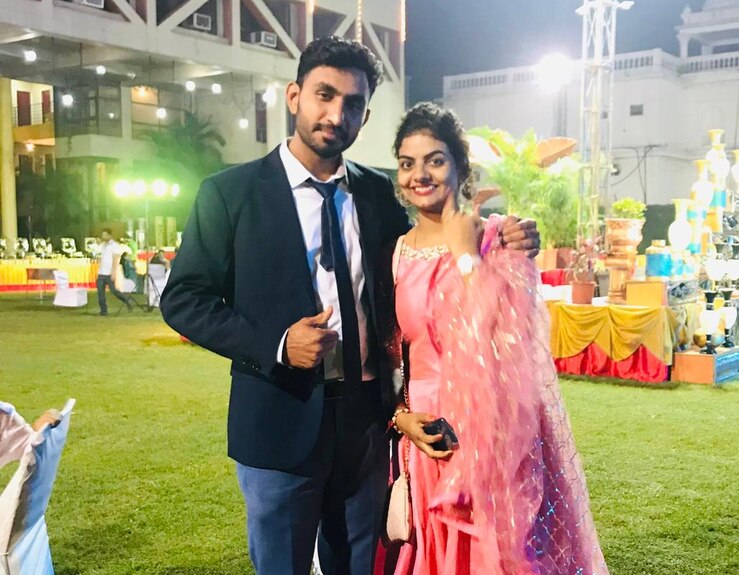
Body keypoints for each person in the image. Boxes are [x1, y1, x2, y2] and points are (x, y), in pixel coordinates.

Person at [159, 36, 539, 575]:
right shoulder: (230, 194)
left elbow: (430, 260)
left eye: (353, 104)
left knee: (362, 566)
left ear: (364, 117)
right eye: (324, 94)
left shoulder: (377, 194)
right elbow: (183, 299)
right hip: (279, 421)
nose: (336, 113)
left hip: (365, 428)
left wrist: (505, 236)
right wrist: (277, 343)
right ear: (295, 96)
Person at [387, 103, 607, 574]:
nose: (419, 175)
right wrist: (400, 418)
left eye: (435, 160)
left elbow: (508, 340)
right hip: (427, 440)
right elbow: (391, 352)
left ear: (460, 167)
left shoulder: (498, 239)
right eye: (407, 163)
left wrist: (466, 255)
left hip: (492, 439)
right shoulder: (398, 252)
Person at [96, 228, 134, 316]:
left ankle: (127, 300)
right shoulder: (103, 245)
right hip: (101, 272)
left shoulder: (115, 246)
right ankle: (103, 310)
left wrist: (114, 272)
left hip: (109, 272)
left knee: (114, 291)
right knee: (100, 293)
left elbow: (116, 259)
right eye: (103, 235)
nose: (103, 237)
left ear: (110, 235)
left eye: (105, 235)